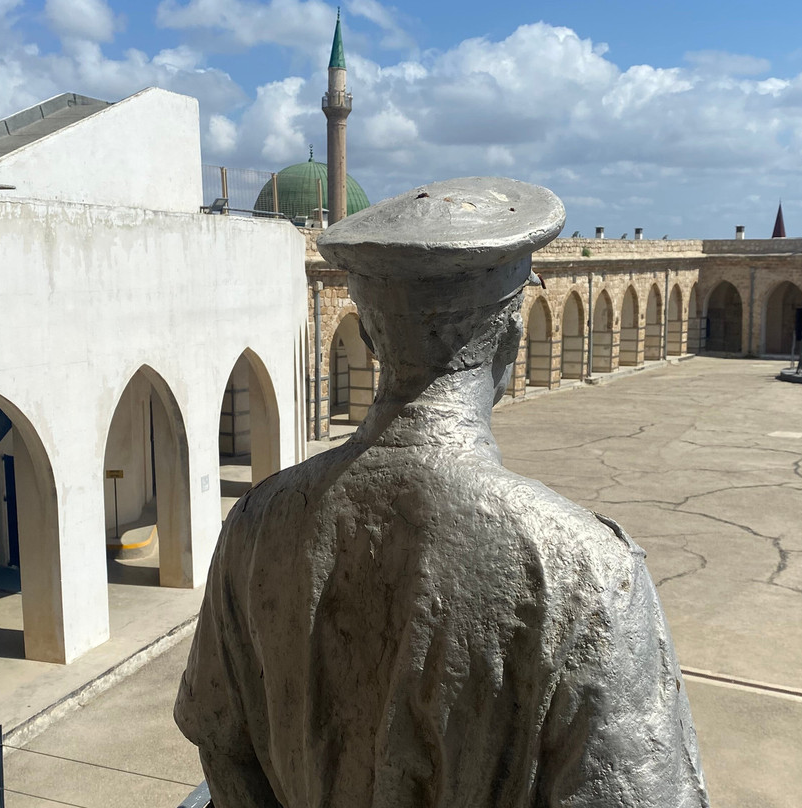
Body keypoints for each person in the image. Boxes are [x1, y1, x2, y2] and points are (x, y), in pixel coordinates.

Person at [175, 178, 709, 808]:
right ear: (511, 338)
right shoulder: (587, 568)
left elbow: (222, 746)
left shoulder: (256, 523)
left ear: (371, 340)